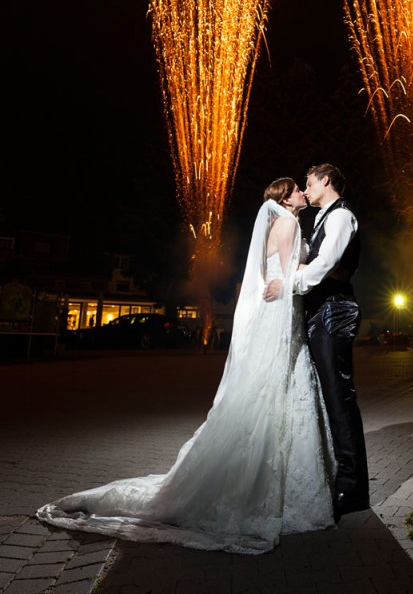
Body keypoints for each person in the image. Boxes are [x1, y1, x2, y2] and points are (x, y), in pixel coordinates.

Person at [36, 179, 335, 554]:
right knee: (279, 385)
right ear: (284, 198)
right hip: (281, 311)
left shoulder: (272, 225)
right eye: (296, 190)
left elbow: (269, 269)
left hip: (269, 312)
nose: (302, 194)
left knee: (266, 387)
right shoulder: (289, 223)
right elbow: (289, 273)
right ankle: (270, 487)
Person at [264, 163, 369, 516]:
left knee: (340, 399)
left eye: (309, 183)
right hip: (321, 311)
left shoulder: (341, 217)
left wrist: (288, 283)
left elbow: (324, 266)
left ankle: (353, 492)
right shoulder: (323, 217)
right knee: (330, 399)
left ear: (325, 181)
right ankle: (342, 478)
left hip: (334, 310)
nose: (306, 190)